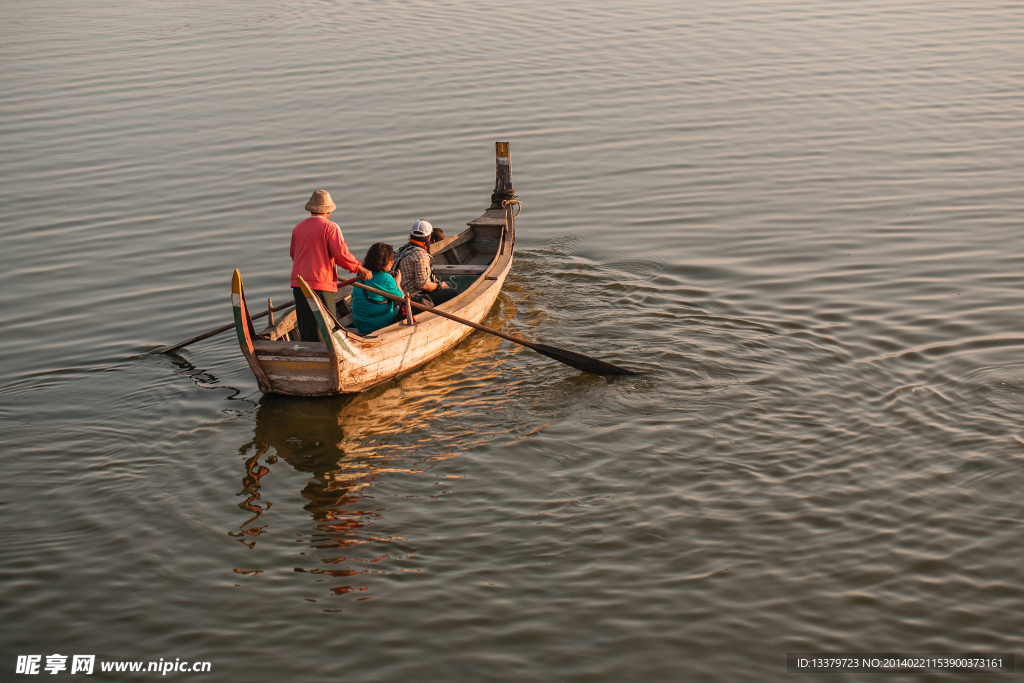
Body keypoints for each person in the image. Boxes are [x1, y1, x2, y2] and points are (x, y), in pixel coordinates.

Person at [290, 190, 371, 341]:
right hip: (320, 283)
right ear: (327, 211)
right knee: (325, 326)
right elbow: (341, 255)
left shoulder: (298, 228)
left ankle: (308, 353)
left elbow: (294, 254)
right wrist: (359, 268)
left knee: (306, 324)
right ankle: (326, 355)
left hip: (298, 283)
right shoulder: (330, 227)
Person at [391, 219, 460, 307]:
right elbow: (421, 284)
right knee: (452, 293)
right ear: (429, 237)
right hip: (413, 297)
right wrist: (440, 285)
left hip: (401, 292)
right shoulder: (420, 255)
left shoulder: (405, 249)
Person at [352, 243, 406, 335]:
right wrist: (397, 284)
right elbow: (401, 300)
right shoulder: (386, 278)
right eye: (391, 259)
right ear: (382, 260)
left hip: (359, 324)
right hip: (379, 325)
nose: (393, 262)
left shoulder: (361, 273)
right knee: (404, 303)